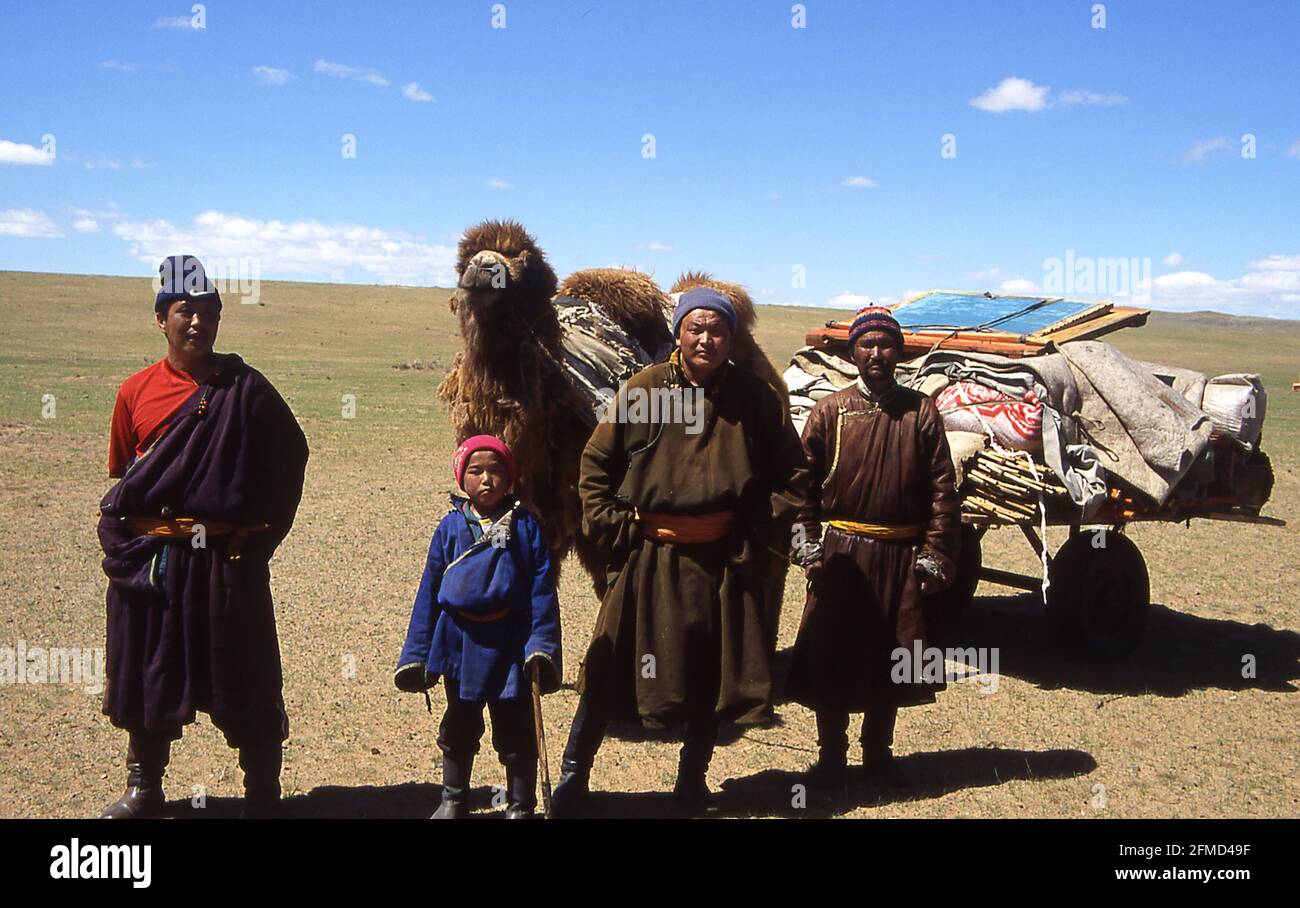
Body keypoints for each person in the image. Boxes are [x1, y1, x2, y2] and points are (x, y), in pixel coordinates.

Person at [551, 287, 809, 816]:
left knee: (709, 676)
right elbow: (596, 466)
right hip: (650, 557)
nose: (706, 339)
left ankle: (692, 781)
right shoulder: (645, 391)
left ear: (730, 337)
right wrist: (616, 530)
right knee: (607, 669)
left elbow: (796, 474)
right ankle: (573, 779)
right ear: (679, 333)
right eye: (696, 327)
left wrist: (755, 526)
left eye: (717, 329)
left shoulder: (755, 398)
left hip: (720, 562)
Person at [98, 255, 309, 818]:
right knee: (148, 671)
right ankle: (145, 788)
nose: (197, 323)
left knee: (246, 671)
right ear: (161, 320)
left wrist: (260, 536)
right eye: (183, 312)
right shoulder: (134, 392)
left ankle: (262, 794)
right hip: (154, 561)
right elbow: (129, 477)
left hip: (223, 558)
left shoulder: (246, 390)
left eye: (208, 313)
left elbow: (290, 460)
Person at [786, 306, 961, 787]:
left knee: (893, 655)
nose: (877, 353)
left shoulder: (920, 411)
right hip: (841, 558)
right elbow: (800, 488)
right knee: (833, 654)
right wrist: (808, 548)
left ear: (899, 352)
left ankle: (878, 754)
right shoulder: (830, 411)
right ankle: (831, 756)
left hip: (902, 557)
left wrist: (934, 553)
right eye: (868, 344)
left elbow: (944, 490)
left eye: (886, 344)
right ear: (853, 352)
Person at [394, 435, 562, 819]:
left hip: (510, 642)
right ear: (461, 477)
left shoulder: (526, 528)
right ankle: (453, 798)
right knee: (460, 722)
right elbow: (429, 591)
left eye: (496, 470)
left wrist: (541, 644)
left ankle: (521, 804)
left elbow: (541, 590)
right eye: (476, 471)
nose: (487, 479)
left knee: (516, 726)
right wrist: (417, 653)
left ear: (510, 477)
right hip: (459, 641)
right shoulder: (450, 529)